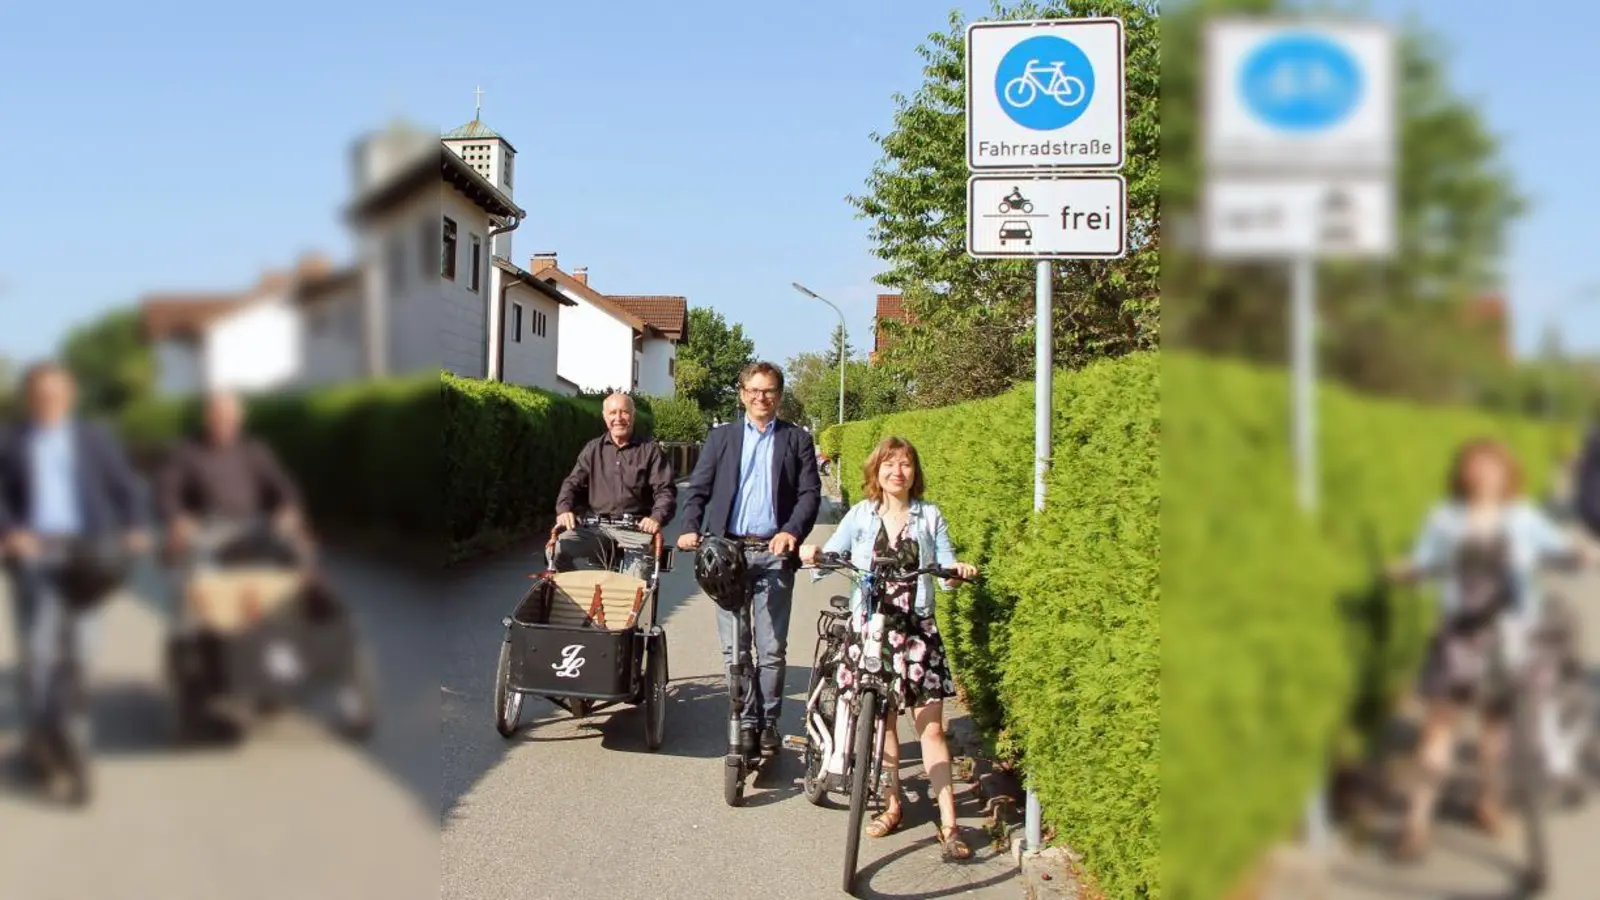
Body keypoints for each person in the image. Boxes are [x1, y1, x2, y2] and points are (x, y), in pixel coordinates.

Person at [1388, 438, 1594, 861]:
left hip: (1513, 633)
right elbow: (1423, 559)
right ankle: (1416, 820)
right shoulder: (1444, 518)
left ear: (1507, 474)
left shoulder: (1522, 517)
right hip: (1461, 634)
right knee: (1439, 724)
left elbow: (1558, 545)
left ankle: (1489, 802)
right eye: (1475, 466)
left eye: (1492, 467)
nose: (1483, 474)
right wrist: (1404, 570)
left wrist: (1584, 552)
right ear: (1462, 473)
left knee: (1495, 728)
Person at [800, 436, 979, 861]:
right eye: (889, 464)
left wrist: (955, 573)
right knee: (883, 726)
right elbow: (832, 554)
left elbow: (947, 572)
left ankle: (950, 825)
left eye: (906, 465)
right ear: (876, 472)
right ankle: (893, 804)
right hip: (872, 632)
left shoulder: (929, 517)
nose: (897, 472)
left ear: (915, 473)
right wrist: (815, 555)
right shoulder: (861, 515)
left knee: (931, 729)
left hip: (916, 633)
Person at [0, 361, 150, 800]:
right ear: (29, 398)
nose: (49, 401)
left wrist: (135, 524)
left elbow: (125, 486)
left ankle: (73, 733)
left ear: (71, 395)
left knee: (83, 653)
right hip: (36, 555)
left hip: (88, 556)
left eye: (56, 393)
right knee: (40, 656)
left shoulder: (95, 437)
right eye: (40, 394)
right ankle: (42, 742)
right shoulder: (10, 440)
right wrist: (11, 534)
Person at [677, 362, 821, 756]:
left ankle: (769, 721)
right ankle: (744, 716)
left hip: (774, 554)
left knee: (771, 648)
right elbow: (699, 489)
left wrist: (790, 531)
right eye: (754, 391)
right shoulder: (722, 438)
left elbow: (810, 494)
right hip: (728, 553)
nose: (761, 398)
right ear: (742, 394)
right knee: (735, 648)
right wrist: (690, 526)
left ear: (779, 395)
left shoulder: (796, 440)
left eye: (769, 391)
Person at [156, 390, 310, 567]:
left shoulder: (255, 450)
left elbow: (283, 486)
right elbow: (166, 491)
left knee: (300, 554)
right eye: (218, 417)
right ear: (207, 418)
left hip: (254, 525)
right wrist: (177, 518)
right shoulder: (186, 452)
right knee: (195, 566)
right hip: (207, 530)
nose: (224, 423)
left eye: (230, 418)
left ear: (239, 420)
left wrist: (288, 509)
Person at [554, 392, 676, 580]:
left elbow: (665, 491)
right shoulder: (592, 449)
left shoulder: (650, 450)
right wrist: (564, 509)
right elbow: (573, 483)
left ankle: (627, 606)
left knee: (632, 585)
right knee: (557, 551)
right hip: (596, 528)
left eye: (624, 412)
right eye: (612, 413)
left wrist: (656, 518)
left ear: (633, 415)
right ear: (605, 416)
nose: (618, 418)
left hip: (636, 529)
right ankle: (575, 599)